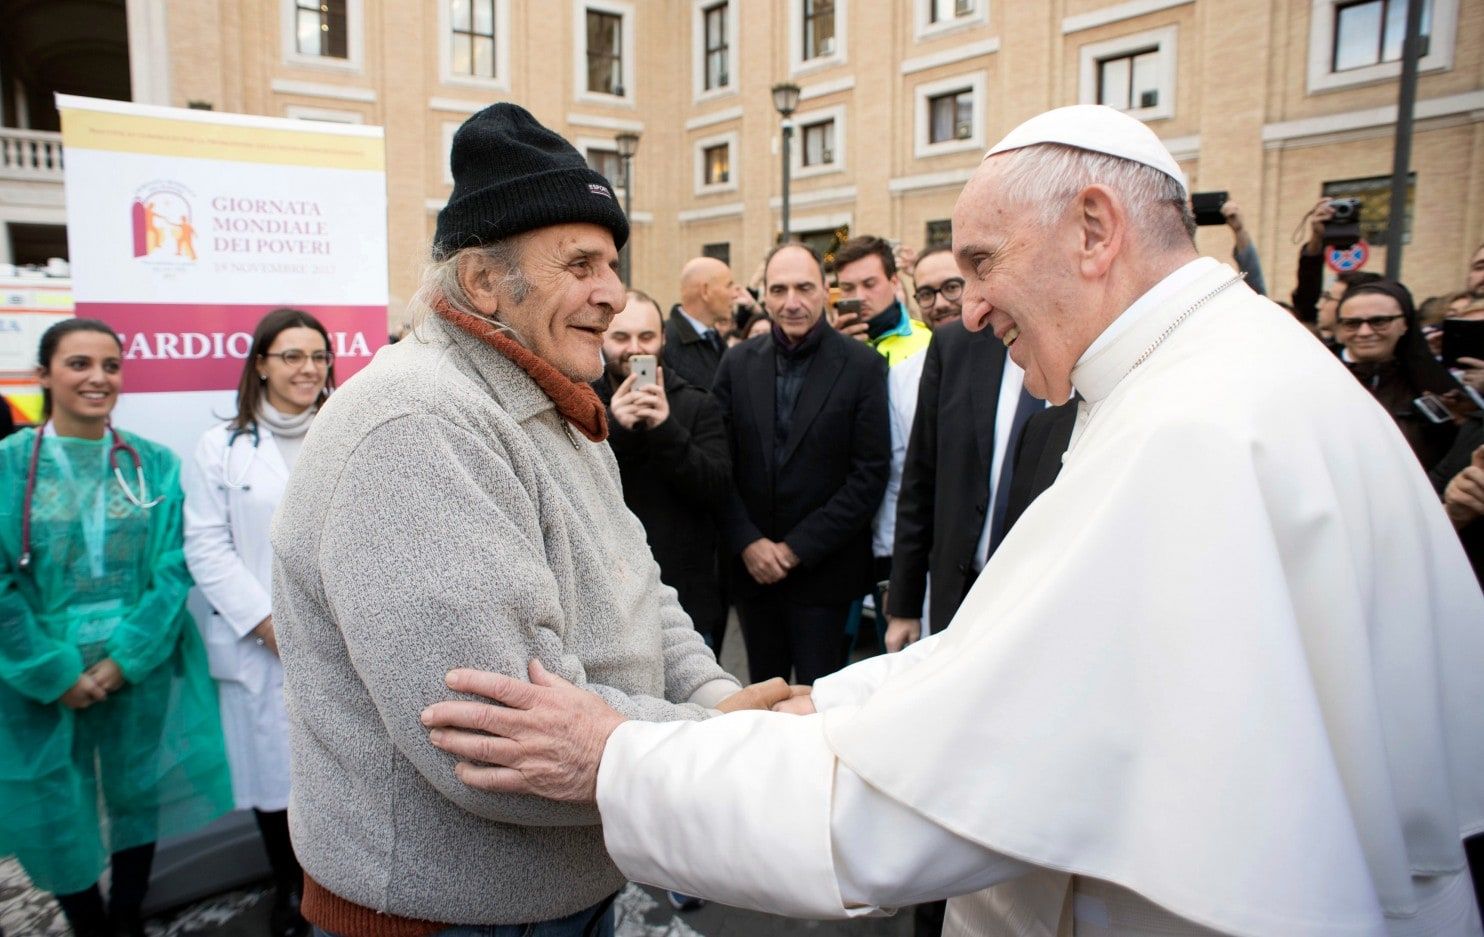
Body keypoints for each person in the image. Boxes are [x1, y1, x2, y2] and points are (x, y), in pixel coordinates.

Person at [421, 105, 1484, 937]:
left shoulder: (1193, 427)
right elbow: (1008, 663)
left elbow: (935, 795)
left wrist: (615, 758)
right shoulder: (1219, 372)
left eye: (980, 263)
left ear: (1094, 230)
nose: (966, 310)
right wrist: (830, 706)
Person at [270, 104, 790, 937]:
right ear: (483, 282)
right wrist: (716, 741)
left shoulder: (552, 399)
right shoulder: (417, 423)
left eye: (613, 263)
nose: (612, 291)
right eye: (580, 263)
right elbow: (494, 741)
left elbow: (644, 596)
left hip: (555, 894)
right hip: (445, 919)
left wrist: (719, 705)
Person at [0, 319, 232, 937]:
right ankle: (89, 925)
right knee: (54, 804)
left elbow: (173, 567)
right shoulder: (8, 467)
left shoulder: (152, 465)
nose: (98, 378)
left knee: (136, 793)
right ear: (43, 375)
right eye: (78, 364)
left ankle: (126, 917)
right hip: (38, 678)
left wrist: (126, 658)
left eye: (110, 365)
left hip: (137, 669)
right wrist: (53, 672)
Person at [183, 308, 336, 937]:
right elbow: (206, 545)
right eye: (292, 356)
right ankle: (289, 888)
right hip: (260, 643)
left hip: (342, 638)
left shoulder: (346, 430)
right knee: (275, 778)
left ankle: (339, 887)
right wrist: (267, 623)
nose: (308, 368)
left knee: (343, 771)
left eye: (319, 356)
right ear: (262, 365)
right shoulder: (221, 447)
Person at [712, 242, 889, 685]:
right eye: (779, 289)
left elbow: (869, 474)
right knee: (761, 700)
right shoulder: (736, 363)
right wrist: (748, 542)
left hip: (825, 575)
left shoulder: (862, 366)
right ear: (765, 296)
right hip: (753, 577)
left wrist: (795, 550)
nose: (792, 302)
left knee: (821, 703)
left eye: (804, 288)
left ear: (826, 291)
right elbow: (718, 464)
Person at [595, 289, 730, 650]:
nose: (634, 349)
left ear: (664, 339)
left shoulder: (697, 403)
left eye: (646, 336)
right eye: (621, 337)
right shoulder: (583, 404)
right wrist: (614, 427)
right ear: (602, 338)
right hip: (610, 602)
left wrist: (666, 428)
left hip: (686, 599)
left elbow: (716, 490)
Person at [1334, 280, 1463, 469]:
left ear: (1405, 324)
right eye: (1352, 323)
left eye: (1379, 321)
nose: (1364, 332)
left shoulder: (1434, 385)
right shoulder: (1318, 380)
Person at [833, 235, 932, 366]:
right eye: (848, 288)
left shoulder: (927, 343)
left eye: (869, 284)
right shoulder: (828, 350)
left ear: (894, 283)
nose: (860, 297)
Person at [662, 257, 743, 390]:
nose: (735, 295)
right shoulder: (664, 343)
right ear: (705, 291)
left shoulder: (714, 339)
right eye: (729, 286)